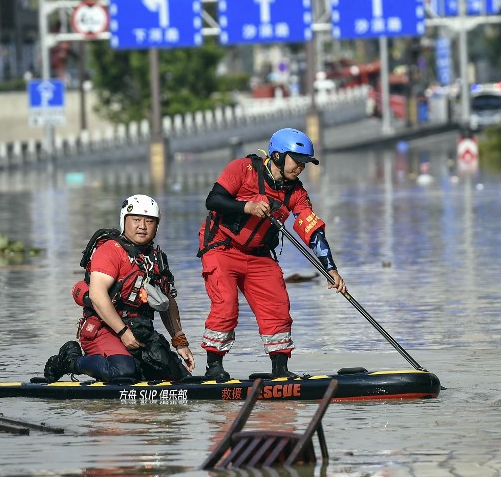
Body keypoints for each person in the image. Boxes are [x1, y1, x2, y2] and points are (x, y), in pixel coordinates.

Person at [197, 127, 348, 381]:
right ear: (277, 155)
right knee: (226, 305)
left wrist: (330, 269)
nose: (300, 168)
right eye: (297, 161)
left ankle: (280, 370)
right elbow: (213, 200)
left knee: (278, 305)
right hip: (222, 248)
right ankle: (214, 367)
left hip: (258, 254)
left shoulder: (296, 193)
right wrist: (248, 206)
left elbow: (312, 231)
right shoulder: (242, 169)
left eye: (304, 164)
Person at [43, 194, 195, 383]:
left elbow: (168, 302)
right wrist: (123, 333)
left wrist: (180, 342)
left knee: (179, 378)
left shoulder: (157, 258)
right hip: (104, 329)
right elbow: (98, 296)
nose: (142, 226)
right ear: (124, 221)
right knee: (123, 373)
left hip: (141, 330)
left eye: (149, 221)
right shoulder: (110, 250)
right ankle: (71, 361)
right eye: (136, 220)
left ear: (157, 225)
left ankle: (136, 366)